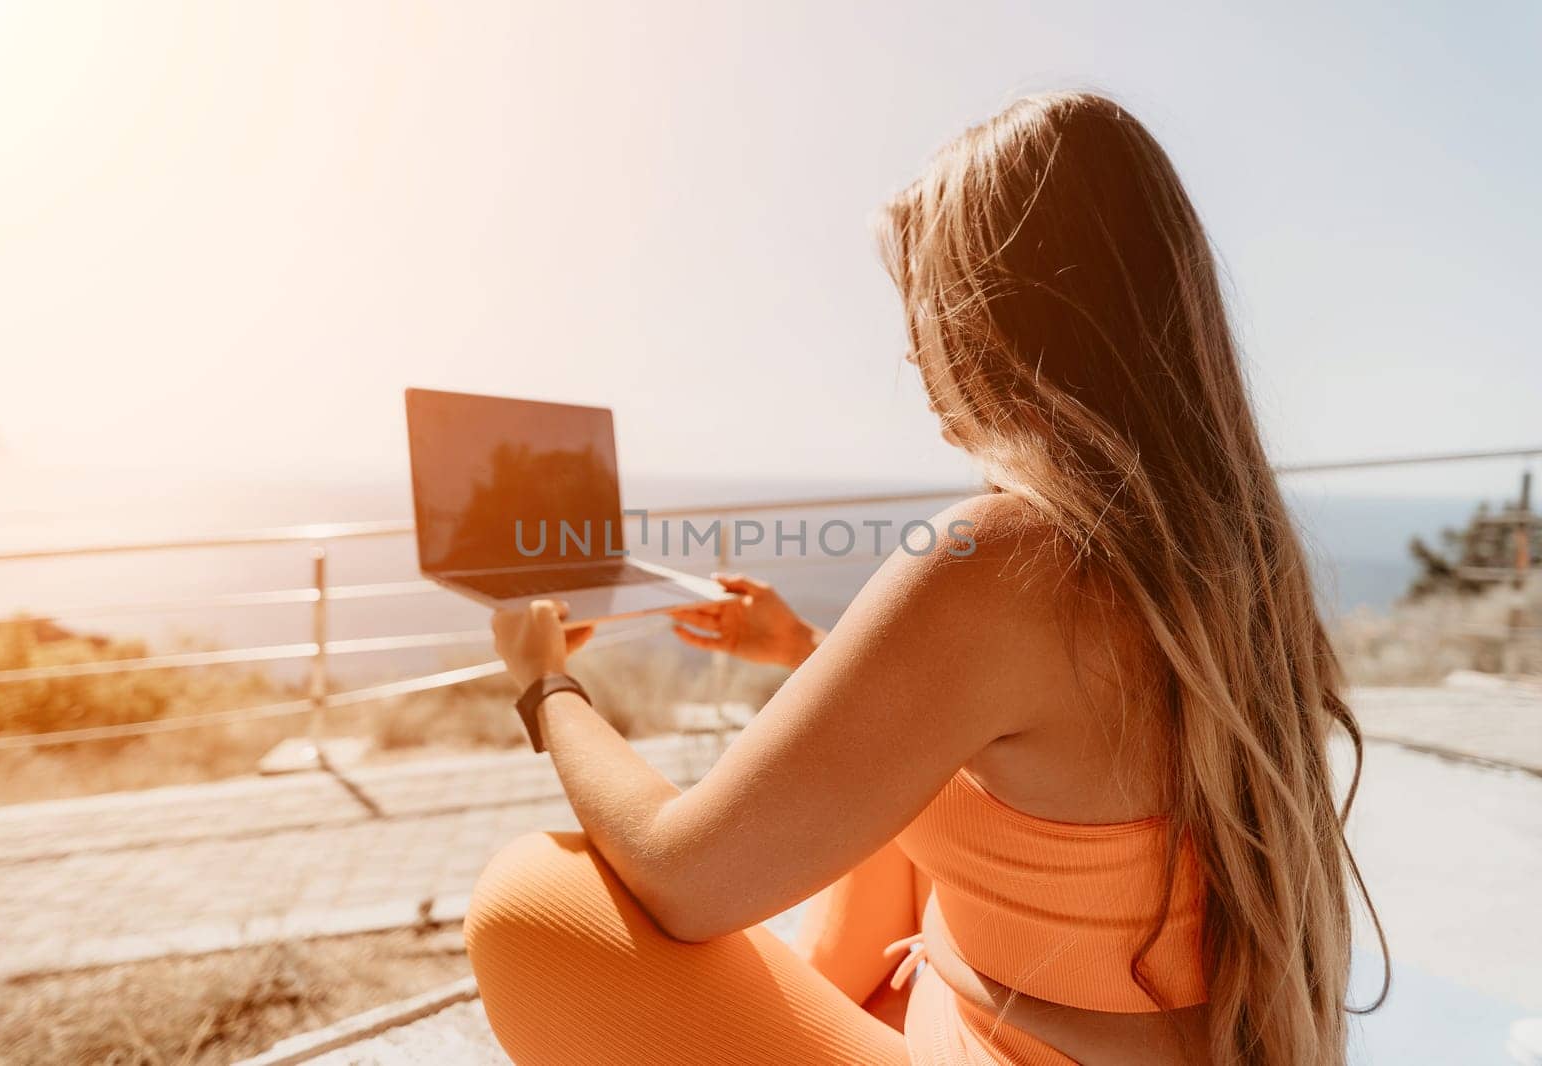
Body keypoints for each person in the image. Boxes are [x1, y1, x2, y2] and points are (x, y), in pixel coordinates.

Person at [463, 91, 1386, 1066]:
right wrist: (798, 651)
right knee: (882, 807)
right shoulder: (1230, 548)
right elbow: (1053, 748)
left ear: (996, 320)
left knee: (531, 896)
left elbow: (680, 876)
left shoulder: (1010, 552)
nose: (911, 352)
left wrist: (544, 685)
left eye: (924, 309)